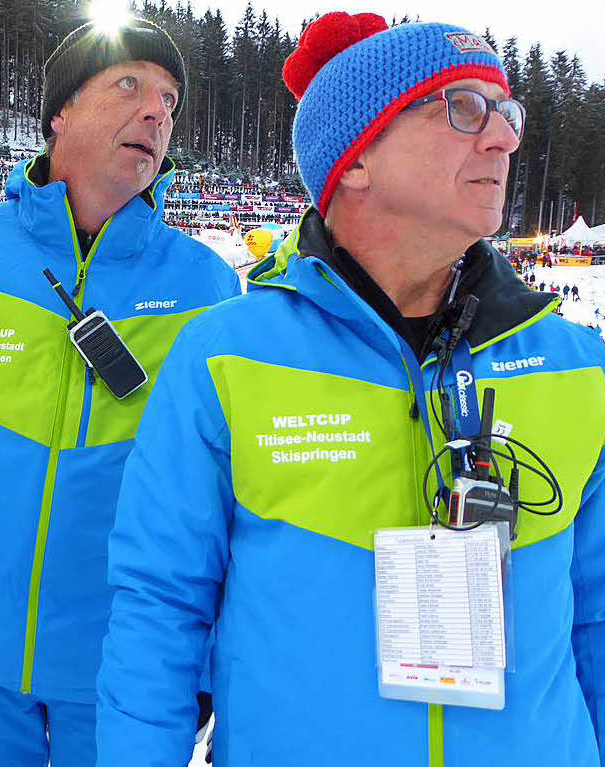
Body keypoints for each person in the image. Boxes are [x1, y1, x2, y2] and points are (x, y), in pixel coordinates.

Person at [96, 13, 605, 767]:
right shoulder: (226, 359)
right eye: (463, 107)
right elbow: (157, 615)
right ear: (356, 157)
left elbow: (595, 619)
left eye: (507, 114)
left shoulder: (578, 366)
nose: (502, 138)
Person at [0, 16, 240, 767]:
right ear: (58, 112)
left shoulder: (207, 287)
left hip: (126, 671)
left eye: (169, 100)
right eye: (129, 85)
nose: (156, 112)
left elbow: (228, 494)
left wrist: (206, 653)